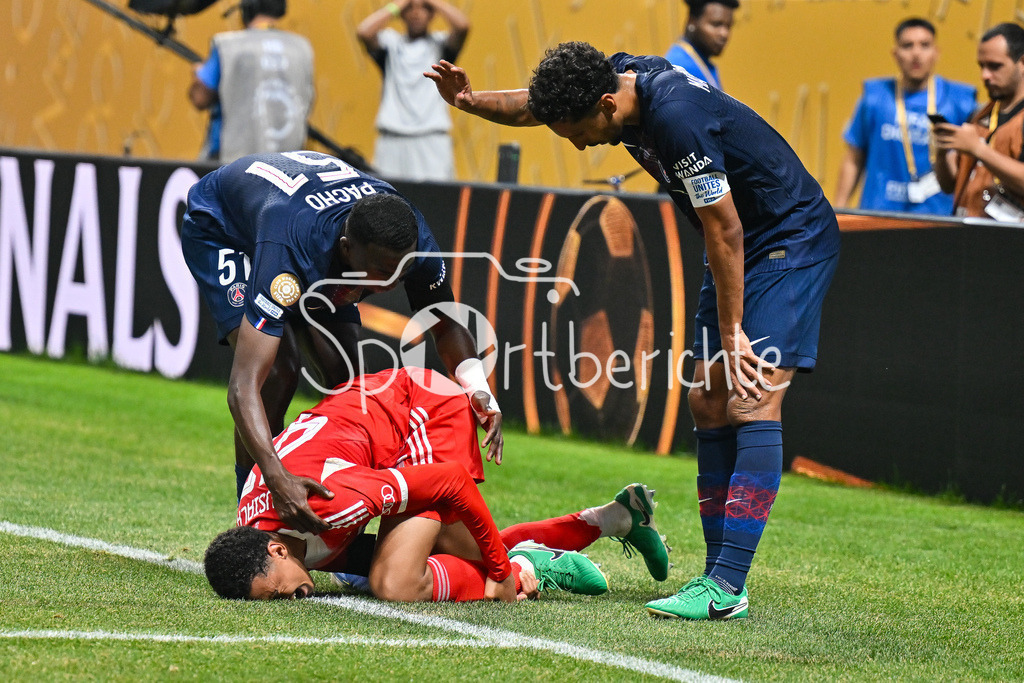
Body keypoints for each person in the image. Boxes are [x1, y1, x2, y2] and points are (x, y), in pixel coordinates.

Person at [427, 41, 840, 620]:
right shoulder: (616, 82)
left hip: (785, 241)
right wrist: (470, 102)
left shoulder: (676, 119)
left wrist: (733, 332)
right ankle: (716, 577)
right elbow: (535, 106)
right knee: (707, 399)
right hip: (736, 243)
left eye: (575, 130)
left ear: (604, 102)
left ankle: (727, 585)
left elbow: (725, 229)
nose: (573, 142)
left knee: (752, 397)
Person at [180, 150, 503, 534]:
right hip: (226, 229)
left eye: (402, 273)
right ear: (348, 249)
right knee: (279, 372)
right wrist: (276, 476)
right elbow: (242, 385)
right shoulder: (288, 250)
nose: (391, 285)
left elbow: (446, 325)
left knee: (350, 383)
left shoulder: (409, 237)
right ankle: (253, 521)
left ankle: (342, 510)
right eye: (383, 272)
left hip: (306, 222)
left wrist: (479, 389)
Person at [203, 366, 670, 602]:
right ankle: (615, 518)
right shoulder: (262, 531)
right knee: (429, 555)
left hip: (425, 415)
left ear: (276, 550)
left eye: (278, 592)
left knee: (396, 581)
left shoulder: (324, 504)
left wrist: (501, 575)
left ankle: (527, 567)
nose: (291, 598)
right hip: (376, 423)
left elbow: (449, 483)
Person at [834, 18, 976, 214]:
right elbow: (853, 158)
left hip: (939, 216)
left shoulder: (960, 101)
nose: (916, 54)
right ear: (895, 53)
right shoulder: (875, 97)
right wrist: (838, 212)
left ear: (936, 53)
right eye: (907, 46)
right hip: (880, 212)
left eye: (924, 45)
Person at [188, 0, 314, 163]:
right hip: (287, 165)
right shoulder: (301, 47)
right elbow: (308, 100)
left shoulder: (229, 45)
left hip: (232, 164)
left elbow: (200, 98)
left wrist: (198, 74)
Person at [356, 0, 470, 181]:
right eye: (410, 8)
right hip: (392, 138)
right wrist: (399, 4)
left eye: (423, 8)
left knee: (436, 201)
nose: (416, 14)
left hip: (431, 138)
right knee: (386, 202)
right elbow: (364, 31)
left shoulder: (439, 45)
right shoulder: (390, 44)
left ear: (432, 13)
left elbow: (462, 26)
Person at [933, 22, 1024, 221]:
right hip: (967, 239)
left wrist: (978, 149)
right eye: (981, 66)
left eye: (995, 66)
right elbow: (949, 185)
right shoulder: (980, 114)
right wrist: (941, 152)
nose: (985, 75)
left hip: (1011, 244)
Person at [664, 0, 738, 90]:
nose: (724, 34)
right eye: (716, 24)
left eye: (728, 26)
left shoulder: (702, 62)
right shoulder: (679, 68)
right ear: (692, 22)